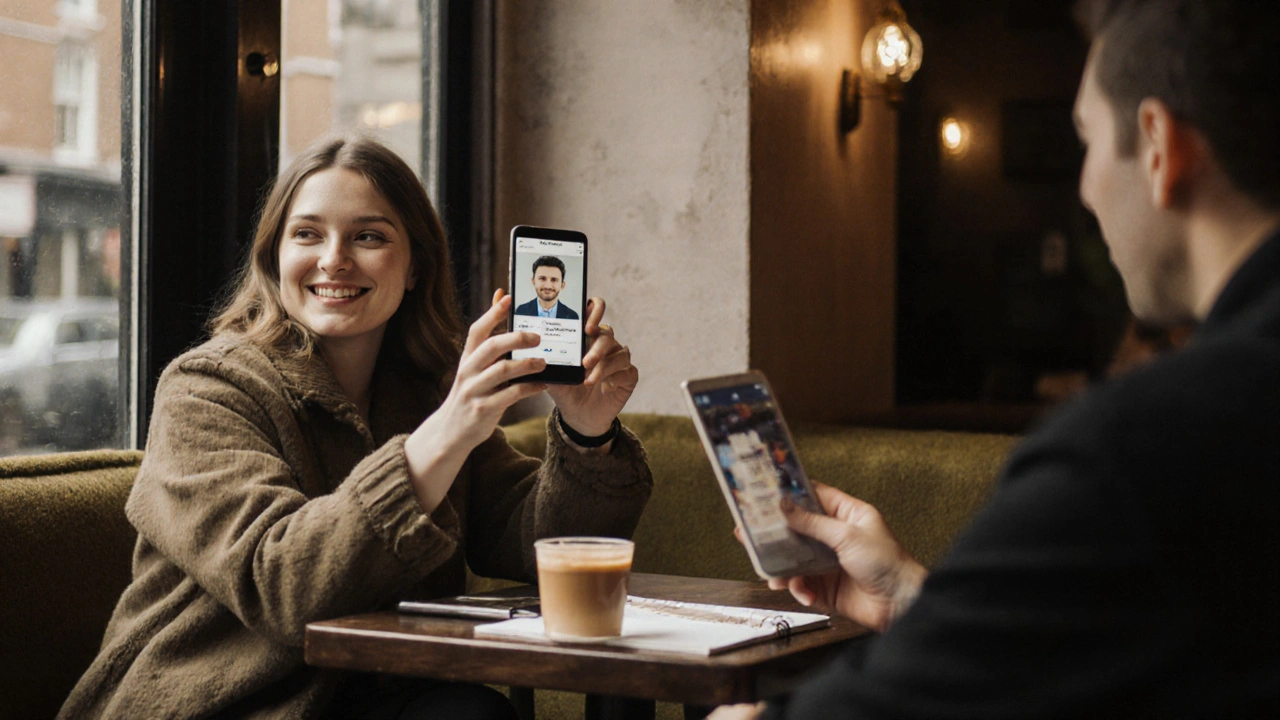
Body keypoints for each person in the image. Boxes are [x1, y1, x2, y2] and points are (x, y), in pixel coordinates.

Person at [712, 0, 1279, 717]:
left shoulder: (1143, 449)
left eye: (1086, 140)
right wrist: (912, 597)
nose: (1086, 188)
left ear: (1160, 147)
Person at [58, 136, 652, 720]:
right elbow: (284, 587)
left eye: (368, 236)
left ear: (415, 266)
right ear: (274, 258)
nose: (334, 259)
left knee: (469, 712)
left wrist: (586, 432)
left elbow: (535, 541)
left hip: (374, 693)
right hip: (215, 704)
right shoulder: (204, 390)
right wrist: (446, 432)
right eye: (307, 234)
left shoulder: (422, 391)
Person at [513, 255, 579, 319]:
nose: (548, 286)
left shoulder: (572, 316)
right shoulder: (521, 311)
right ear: (533, 281)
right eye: (542, 278)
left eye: (554, 280)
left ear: (562, 285)